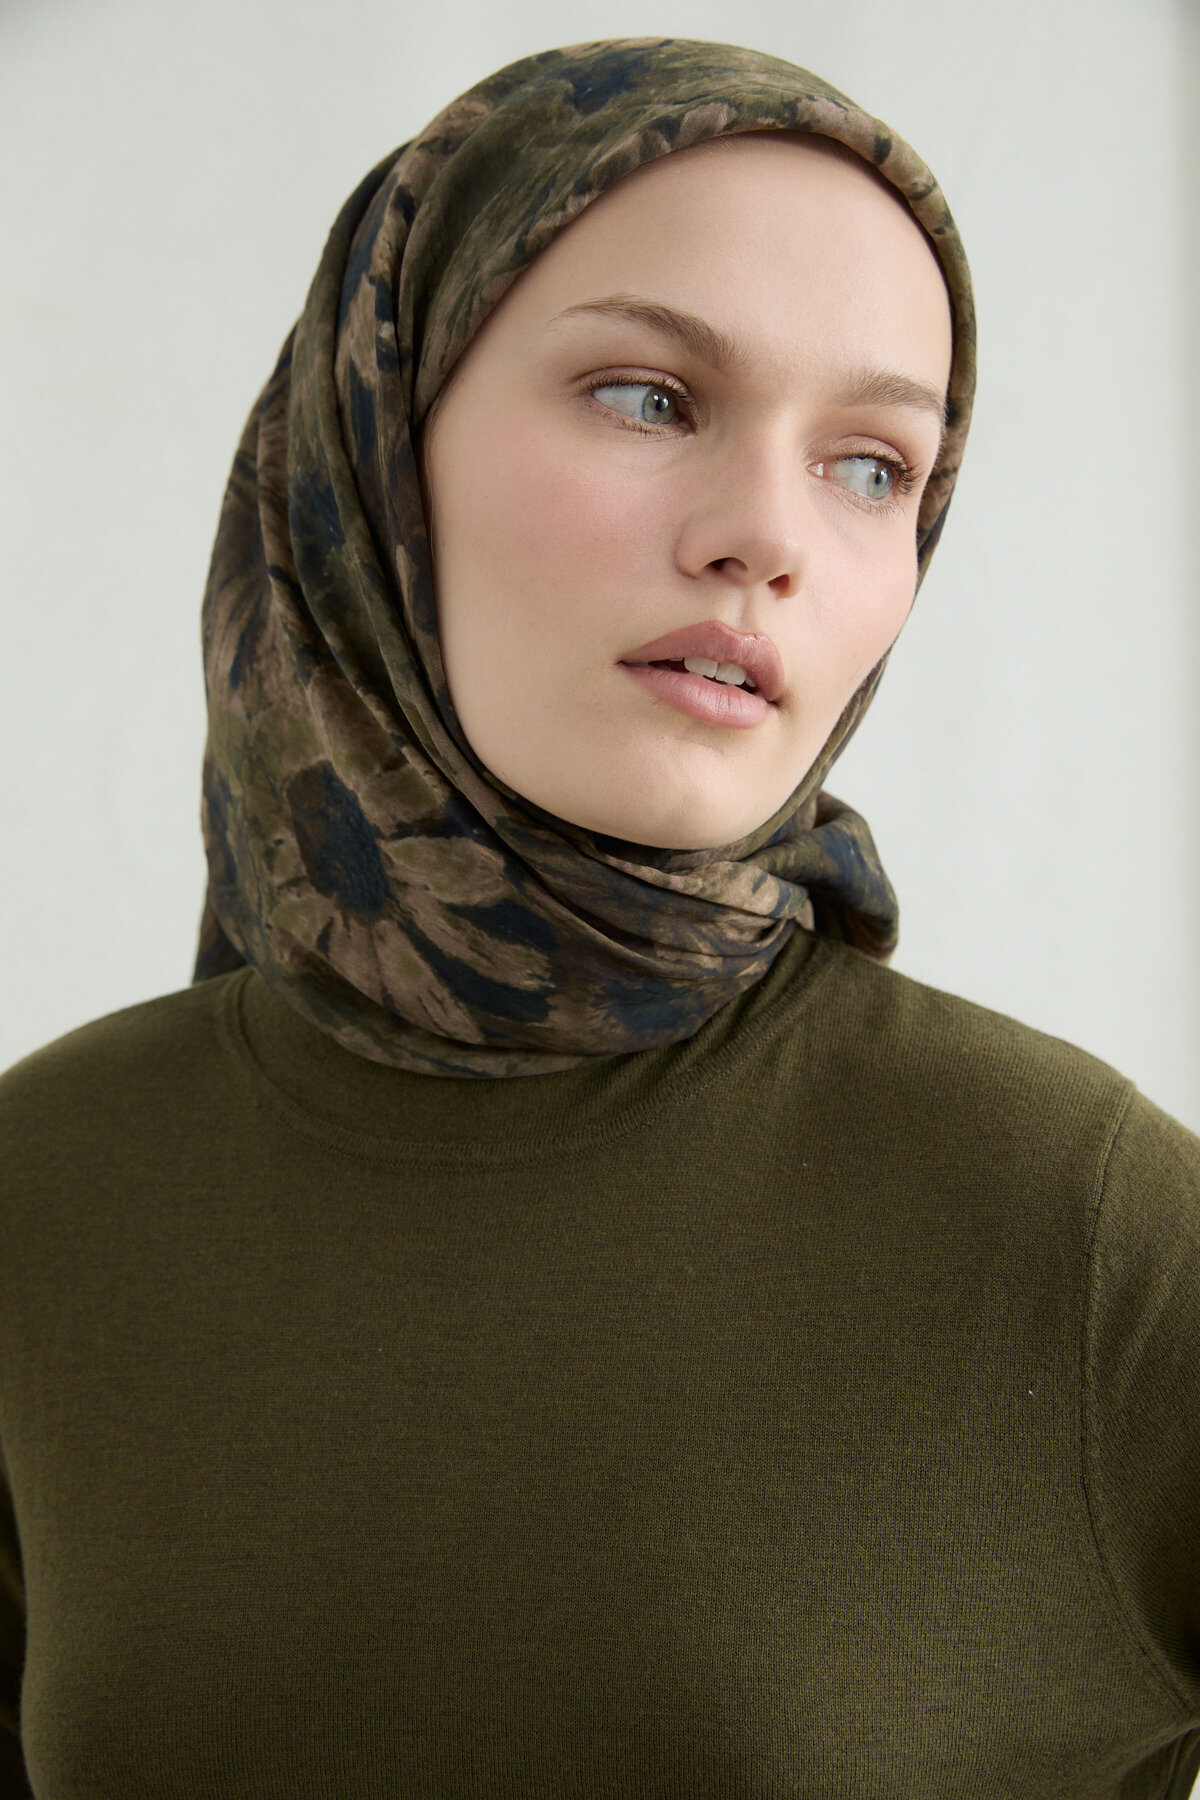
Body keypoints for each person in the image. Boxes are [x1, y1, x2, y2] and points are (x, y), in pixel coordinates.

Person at [0, 36, 1196, 1797]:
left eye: (873, 466)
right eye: (650, 397)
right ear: (375, 434)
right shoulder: (44, 1191)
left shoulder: (1086, 1234)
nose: (765, 536)